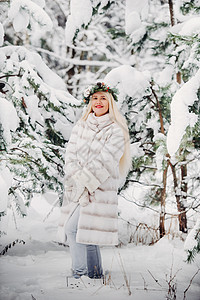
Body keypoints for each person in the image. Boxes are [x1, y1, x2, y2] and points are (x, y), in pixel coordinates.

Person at [58, 82, 131, 280]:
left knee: (73, 229)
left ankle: (80, 275)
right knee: (86, 233)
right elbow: (70, 156)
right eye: (94, 98)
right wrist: (77, 181)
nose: (98, 102)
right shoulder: (80, 126)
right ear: (89, 102)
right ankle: (95, 274)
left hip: (99, 190)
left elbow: (106, 161)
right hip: (77, 189)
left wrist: (86, 183)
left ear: (110, 103)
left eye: (103, 99)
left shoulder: (116, 130)